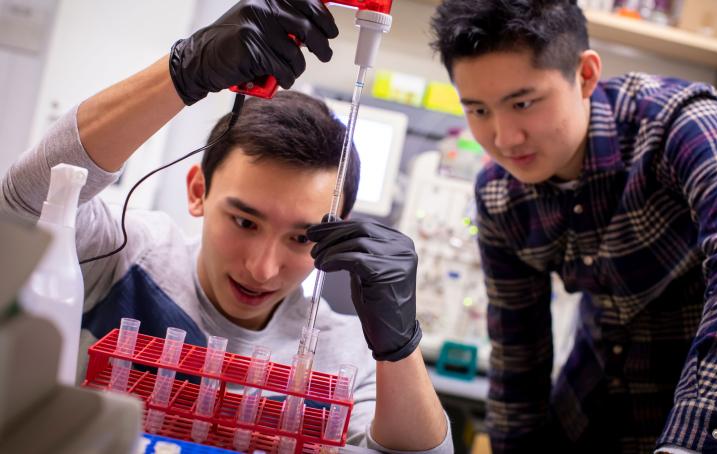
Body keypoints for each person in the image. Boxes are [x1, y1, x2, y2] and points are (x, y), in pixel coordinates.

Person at [1, 1, 451, 452]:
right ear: (197, 191)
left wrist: (400, 344)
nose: (261, 268)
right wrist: (182, 72)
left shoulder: (347, 354)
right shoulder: (123, 255)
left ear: (339, 232)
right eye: (244, 221)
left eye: (300, 237)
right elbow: (22, 205)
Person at [429, 1, 717, 453]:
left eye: (522, 103)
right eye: (479, 110)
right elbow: (519, 355)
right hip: (585, 414)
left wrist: (693, 439)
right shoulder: (500, 195)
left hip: (701, 416)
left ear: (585, 75)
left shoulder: (677, 121)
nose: (504, 138)